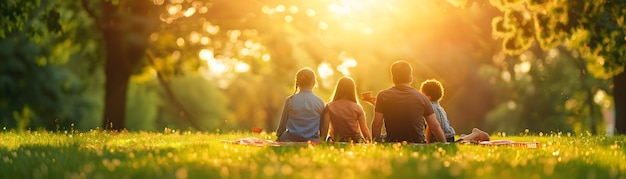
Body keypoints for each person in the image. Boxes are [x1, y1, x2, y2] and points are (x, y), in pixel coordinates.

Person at [370, 60, 446, 143]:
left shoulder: (382, 96)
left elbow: (377, 124)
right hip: (417, 142)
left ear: (393, 79)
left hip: (393, 141)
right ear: (411, 78)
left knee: (383, 137)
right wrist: (444, 143)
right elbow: (434, 126)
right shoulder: (422, 98)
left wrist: (374, 142)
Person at [275, 68, 326, 142]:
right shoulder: (320, 102)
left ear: (297, 83)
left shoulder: (290, 100)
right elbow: (321, 127)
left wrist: (278, 136)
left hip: (290, 139)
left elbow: (282, 125)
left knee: (284, 136)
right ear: (314, 82)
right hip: (312, 140)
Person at [321, 77, 372, 143]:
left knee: (329, 138)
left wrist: (322, 142)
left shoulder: (329, 106)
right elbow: (364, 129)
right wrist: (370, 143)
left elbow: (325, 128)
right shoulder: (357, 107)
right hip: (355, 141)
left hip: (336, 140)